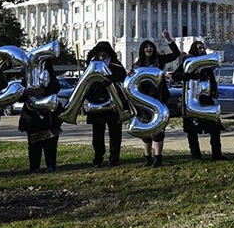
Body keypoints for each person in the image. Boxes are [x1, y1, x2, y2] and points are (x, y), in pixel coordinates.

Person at [130, 31, 180, 168]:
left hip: (158, 98)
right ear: (142, 50)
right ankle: (147, 157)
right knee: (145, 130)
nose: (149, 49)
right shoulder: (138, 64)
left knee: (158, 130)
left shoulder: (159, 60)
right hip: (143, 100)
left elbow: (176, 55)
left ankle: (158, 157)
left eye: (150, 46)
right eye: (146, 47)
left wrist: (169, 39)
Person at [174, 41, 225, 160]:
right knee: (192, 131)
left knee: (215, 128)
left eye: (203, 48)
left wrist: (214, 91)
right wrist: (189, 76)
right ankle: (196, 155)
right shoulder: (188, 63)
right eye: (199, 48)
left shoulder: (206, 64)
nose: (202, 50)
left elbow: (212, 79)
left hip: (206, 100)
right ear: (193, 49)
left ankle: (217, 154)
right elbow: (175, 75)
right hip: (192, 101)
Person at [85, 41, 127, 168]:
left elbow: (122, 78)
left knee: (115, 133)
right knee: (97, 134)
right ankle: (98, 157)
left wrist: (110, 80)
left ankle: (114, 157)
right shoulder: (92, 65)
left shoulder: (116, 65)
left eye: (104, 52)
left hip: (112, 103)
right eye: (100, 52)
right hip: (96, 103)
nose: (102, 54)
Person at [17, 60, 63, 173]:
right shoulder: (27, 79)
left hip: (49, 117)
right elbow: (20, 96)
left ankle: (51, 165)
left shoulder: (52, 78)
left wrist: (44, 90)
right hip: (32, 118)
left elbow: (55, 88)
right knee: (34, 145)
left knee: (51, 144)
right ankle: (34, 167)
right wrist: (25, 93)